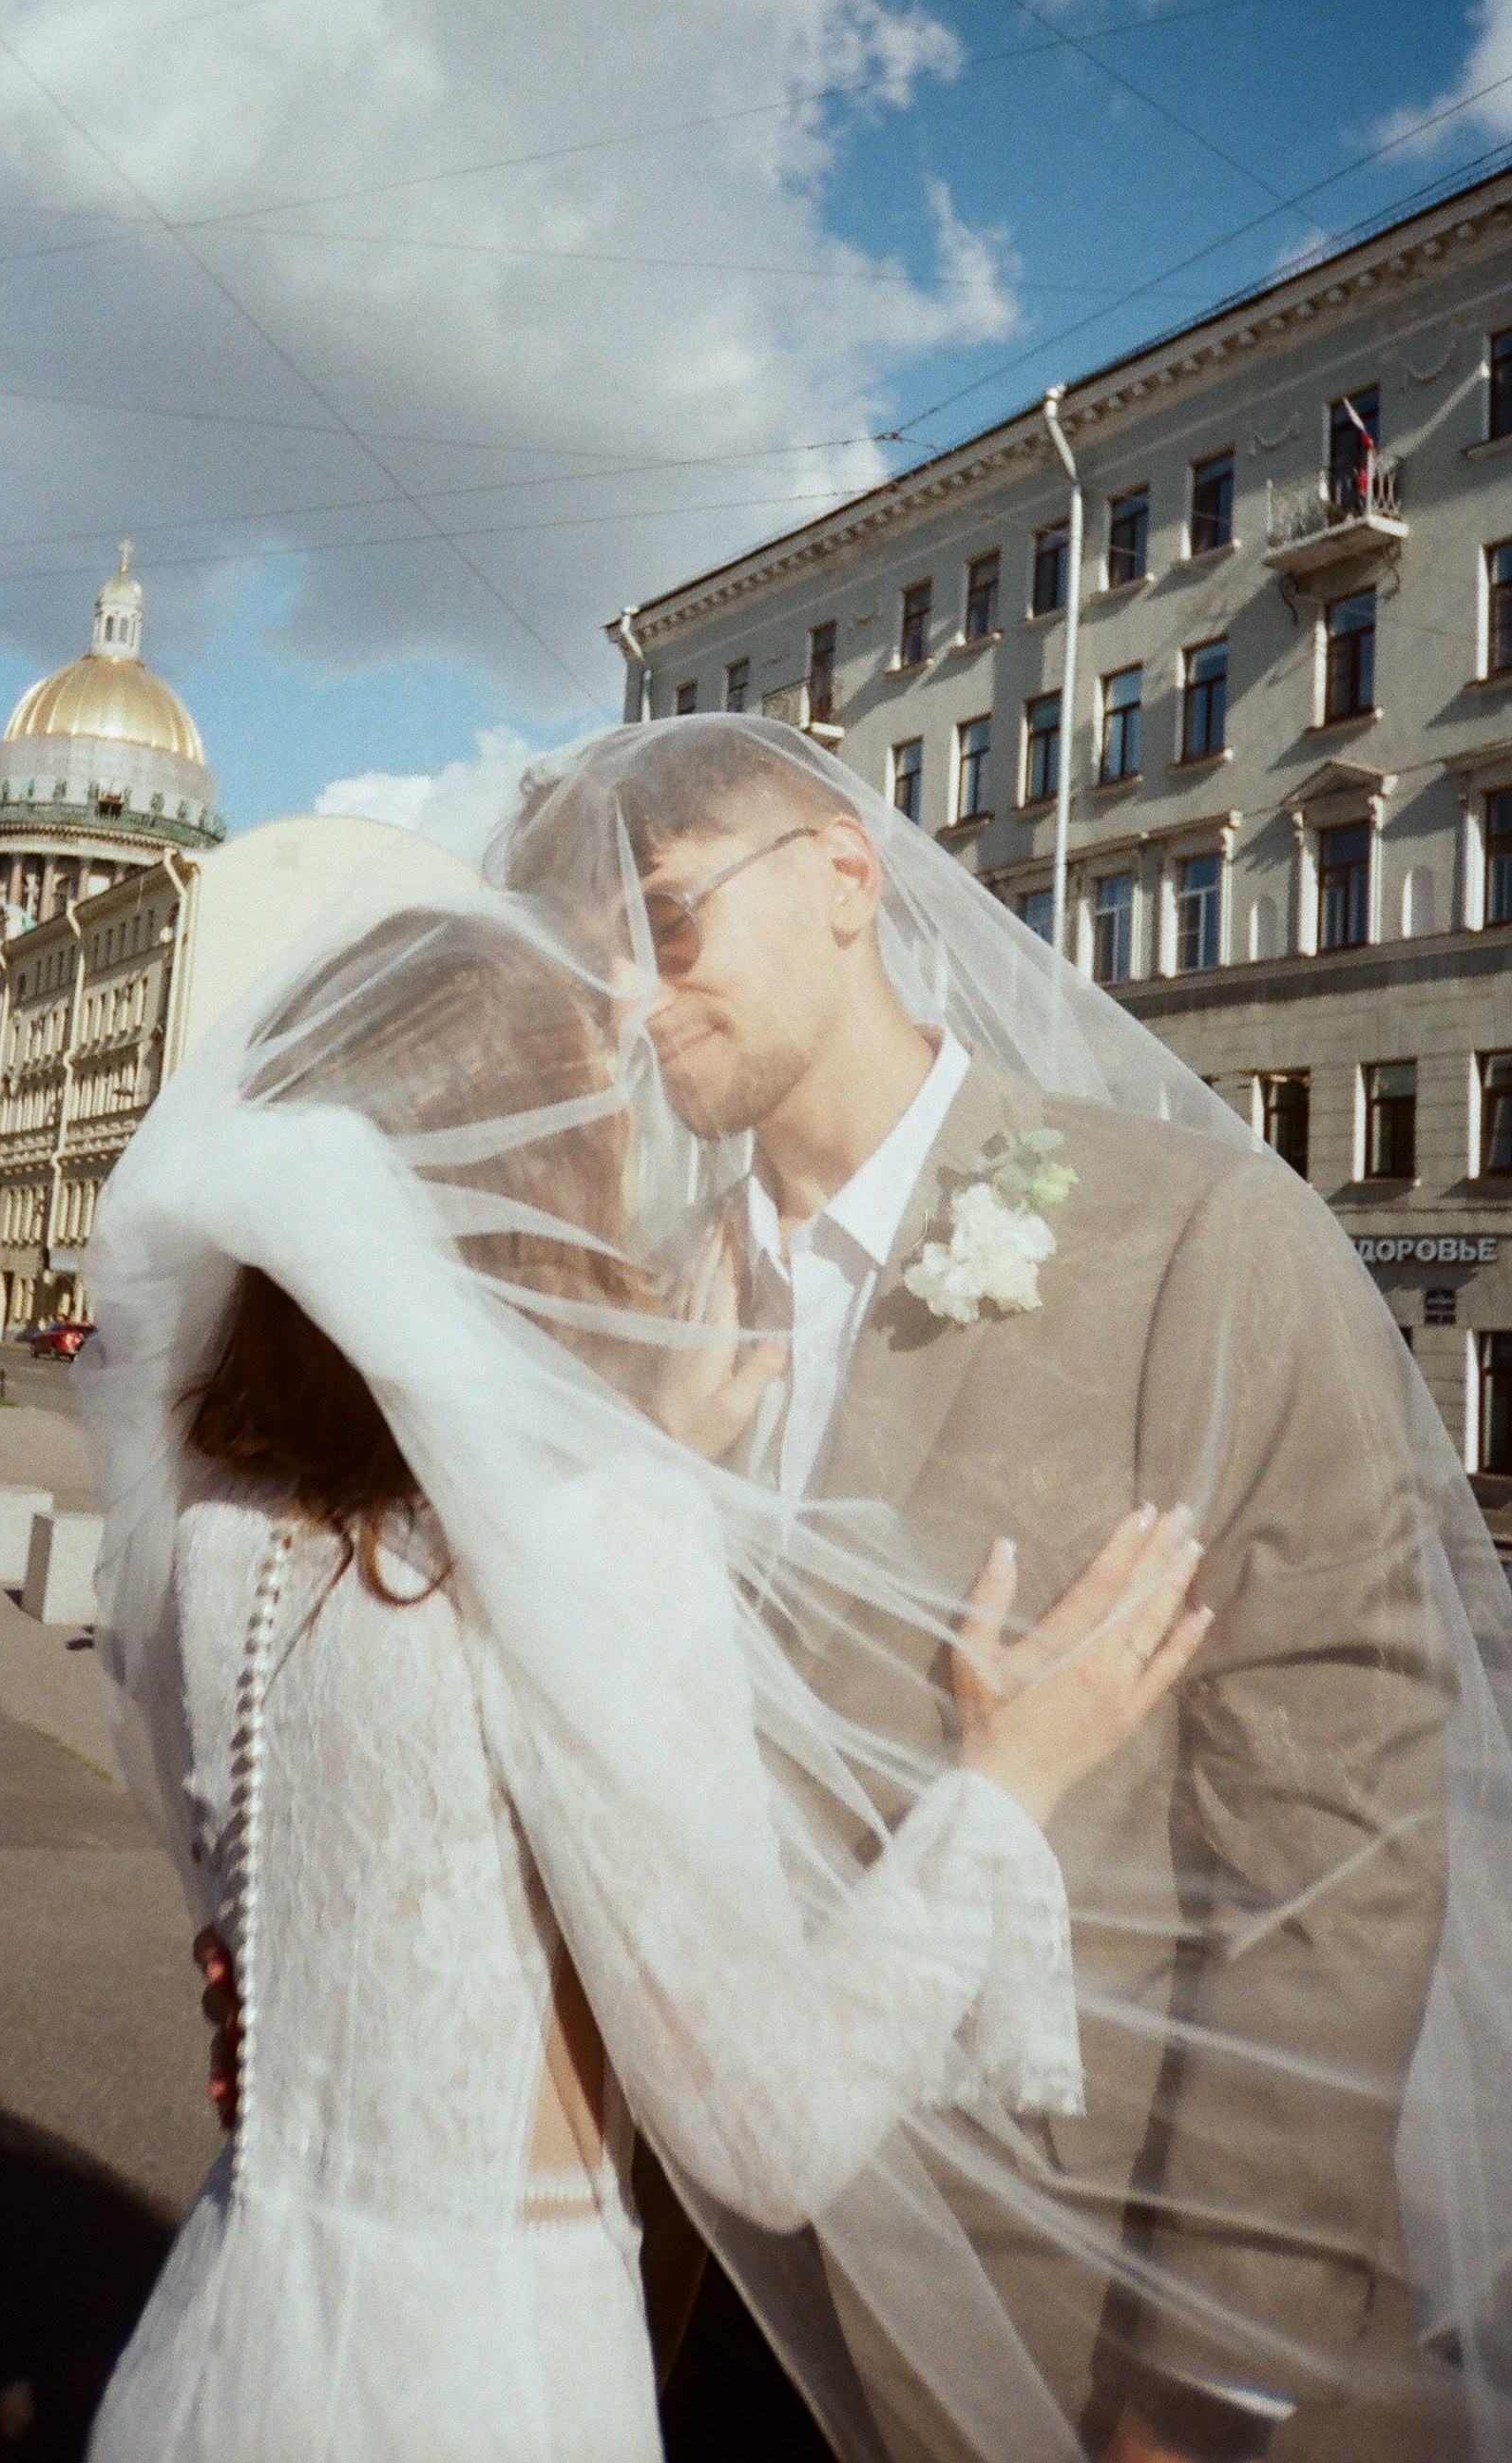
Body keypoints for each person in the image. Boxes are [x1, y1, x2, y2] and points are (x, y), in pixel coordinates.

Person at [495, 715, 1512, 2463]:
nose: (633, 1002)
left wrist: (1204, 2387)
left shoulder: (1195, 1234)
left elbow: (1334, 1852)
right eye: (586, 967)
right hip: (688, 2308)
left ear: (841, 875)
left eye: (662, 923)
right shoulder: (650, 1312)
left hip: (1073, 2314)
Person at [79, 906, 1210, 2463]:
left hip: (234, 2337)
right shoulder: (598, 1542)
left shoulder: (218, 1543)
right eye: (598, 1132)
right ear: (523, 1192)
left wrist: (636, 1455)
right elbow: (770, 2128)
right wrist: (1007, 1783)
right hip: (486, 2379)